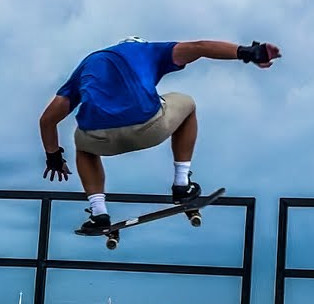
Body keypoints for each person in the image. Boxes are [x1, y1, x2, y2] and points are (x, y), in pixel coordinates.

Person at [38, 37, 281, 232]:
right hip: (148, 127)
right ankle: (181, 183)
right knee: (187, 104)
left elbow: (48, 120)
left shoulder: (87, 64)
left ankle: (98, 211)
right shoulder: (150, 51)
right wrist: (249, 52)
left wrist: (54, 157)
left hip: (99, 137)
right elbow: (200, 48)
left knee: (82, 142)